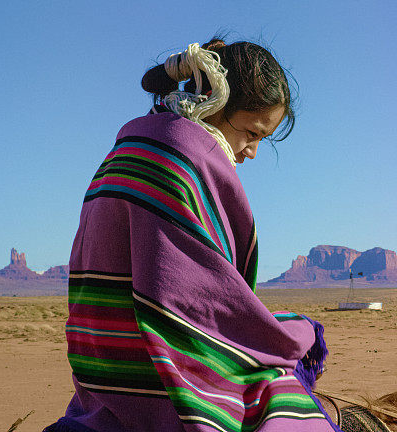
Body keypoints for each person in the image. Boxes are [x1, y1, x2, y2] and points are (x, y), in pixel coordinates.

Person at [44, 38, 340, 432]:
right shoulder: (192, 156)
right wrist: (284, 336)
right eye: (252, 132)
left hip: (104, 374)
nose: (251, 150)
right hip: (164, 382)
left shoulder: (130, 147)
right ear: (216, 103)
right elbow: (200, 307)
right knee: (293, 354)